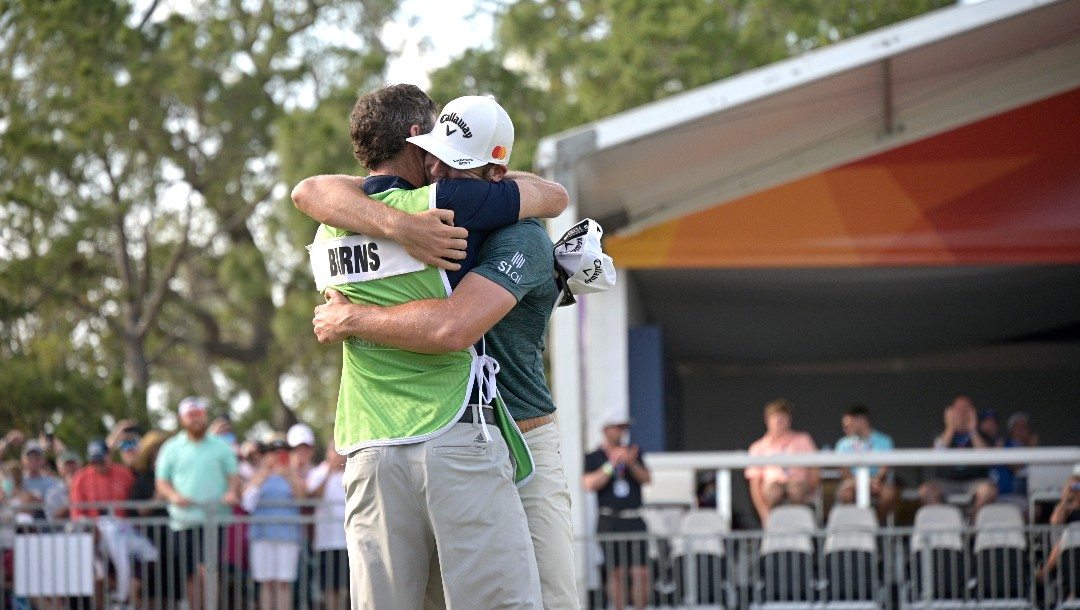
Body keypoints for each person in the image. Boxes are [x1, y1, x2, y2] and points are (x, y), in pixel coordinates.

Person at [297, 95, 579, 608]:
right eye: (433, 153)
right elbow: (316, 190)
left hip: (522, 434)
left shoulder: (516, 233)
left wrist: (350, 317)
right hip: (459, 434)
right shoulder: (420, 207)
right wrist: (401, 226)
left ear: (498, 172)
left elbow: (453, 325)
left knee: (551, 597)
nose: (438, 168)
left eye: (455, 162)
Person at [155, 397, 241, 610]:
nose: (196, 420)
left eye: (199, 415)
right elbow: (162, 481)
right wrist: (174, 496)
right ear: (182, 419)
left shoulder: (221, 447)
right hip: (183, 521)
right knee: (191, 574)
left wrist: (231, 492)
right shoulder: (171, 447)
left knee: (209, 570)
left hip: (214, 519)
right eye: (191, 416)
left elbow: (233, 476)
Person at [583, 416, 652, 610]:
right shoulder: (594, 457)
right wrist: (611, 464)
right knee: (616, 571)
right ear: (605, 429)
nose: (622, 432)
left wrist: (630, 463)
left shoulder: (634, 453)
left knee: (641, 572)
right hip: (609, 520)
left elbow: (647, 478)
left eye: (624, 428)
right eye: (617, 427)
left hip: (634, 518)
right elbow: (589, 483)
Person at [70, 438, 146, 607]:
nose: (98, 464)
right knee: (100, 575)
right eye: (94, 460)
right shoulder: (81, 477)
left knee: (149, 555)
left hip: (125, 532)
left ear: (109, 455)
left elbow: (134, 507)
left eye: (101, 459)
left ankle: (124, 596)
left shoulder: (124, 473)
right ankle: (120, 595)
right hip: (95, 536)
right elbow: (77, 513)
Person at [242, 433, 305, 610]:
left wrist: (290, 475)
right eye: (274, 452)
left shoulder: (293, 475)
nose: (278, 456)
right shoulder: (257, 475)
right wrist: (264, 473)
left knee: (284, 582)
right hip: (262, 535)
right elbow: (247, 502)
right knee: (266, 582)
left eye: (283, 452)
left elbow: (301, 500)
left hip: (287, 536)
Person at [746, 399, 820, 525]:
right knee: (774, 491)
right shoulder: (758, 447)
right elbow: (755, 483)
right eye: (776, 418)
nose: (779, 422)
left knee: (795, 490)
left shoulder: (803, 440)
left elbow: (815, 471)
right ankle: (775, 526)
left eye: (783, 418)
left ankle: (799, 524)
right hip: (771, 490)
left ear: (789, 420)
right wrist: (763, 512)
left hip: (800, 489)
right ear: (767, 420)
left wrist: (811, 492)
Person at [928, 396, 997, 516]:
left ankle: (972, 527)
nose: (961, 415)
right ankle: (948, 524)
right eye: (958, 411)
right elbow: (935, 455)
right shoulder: (942, 434)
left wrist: (973, 430)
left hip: (975, 481)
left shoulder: (982, 435)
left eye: (966, 411)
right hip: (946, 481)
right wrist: (950, 428)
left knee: (989, 491)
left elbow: (987, 458)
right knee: (926, 490)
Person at [834, 404, 898, 523]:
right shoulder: (842, 444)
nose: (845, 428)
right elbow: (843, 469)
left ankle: (876, 527)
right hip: (852, 483)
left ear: (861, 420)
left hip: (877, 483)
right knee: (845, 494)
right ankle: (854, 526)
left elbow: (885, 466)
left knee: (889, 495)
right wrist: (856, 482)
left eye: (849, 424)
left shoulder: (884, 441)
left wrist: (875, 480)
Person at [306, 442, 348, 610]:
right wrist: (329, 473)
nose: (338, 455)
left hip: (348, 541)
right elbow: (313, 497)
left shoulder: (352, 471)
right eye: (335, 451)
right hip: (326, 542)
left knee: (349, 585)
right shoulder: (318, 472)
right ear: (328, 453)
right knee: (330, 586)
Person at [1036, 464, 1080, 584]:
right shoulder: (1066, 508)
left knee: (1068, 537)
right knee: (1065, 539)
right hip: (1069, 548)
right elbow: (1055, 521)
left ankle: (1046, 571)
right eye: (1075, 486)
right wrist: (1065, 498)